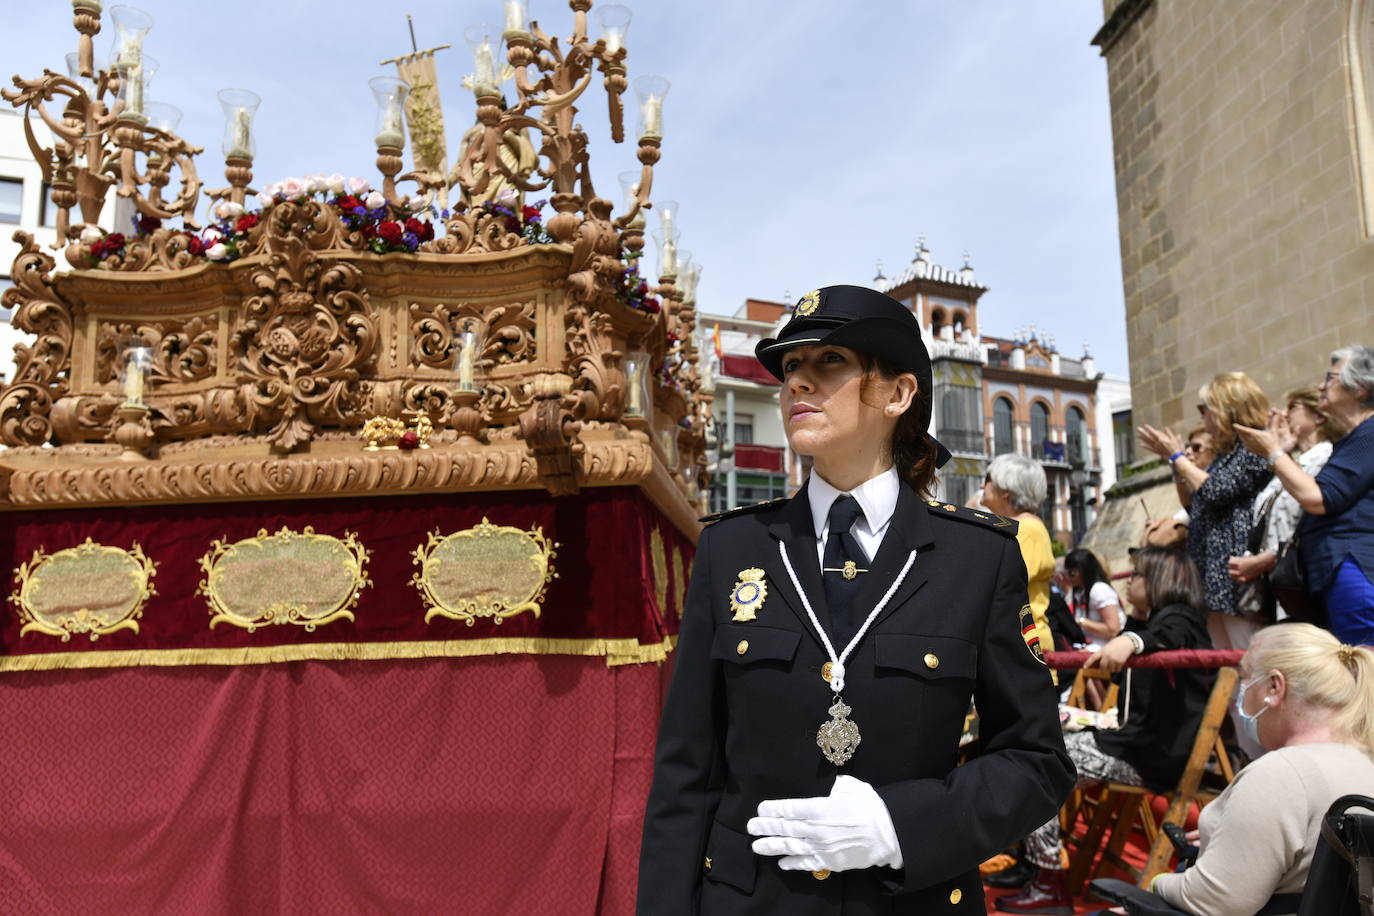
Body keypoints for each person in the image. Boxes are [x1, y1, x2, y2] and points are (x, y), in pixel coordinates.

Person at [637, 286, 1074, 914]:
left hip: (908, 899)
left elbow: (1035, 760)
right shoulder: (732, 549)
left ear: (897, 394)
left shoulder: (976, 558)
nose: (798, 384)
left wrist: (904, 825)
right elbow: (686, 770)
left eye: (830, 362)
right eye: (790, 368)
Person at [996, 546, 1212, 915]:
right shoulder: (1151, 619)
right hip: (1136, 743)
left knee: (1039, 763)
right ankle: (1035, 865)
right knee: (1038, 745)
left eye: (1138, 575)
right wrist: (1134, 630)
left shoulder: (1181, 618)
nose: (1129, 581)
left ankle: (1048, 880)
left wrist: (1131, 640)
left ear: (1162, 581)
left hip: (1152, 755)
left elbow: (1174, 633)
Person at [1148, 623, 1374, 916]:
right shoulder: (1363, 762)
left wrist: (1158, 883)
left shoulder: (1280, 774)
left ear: (1274, 687)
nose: (1238, 695)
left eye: (1244, 678)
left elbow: (1216, 900)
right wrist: (1235, 841)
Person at [1236, 346, 1374, 645]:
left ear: (1361, 389)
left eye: (1331, 377)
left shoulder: (1370, 434)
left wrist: (1272, 451)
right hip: (1335, 572)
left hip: (1355, 571)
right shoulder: (1353, 440)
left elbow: (1318, 498)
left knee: (1364, 671)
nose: (1322, 385)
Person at [1139, 372, 1273, 651]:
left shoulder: (1254, 448)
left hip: (1235, 576)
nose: (1202, 417)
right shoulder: (1226, 454)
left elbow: (1216, 491)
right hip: (1212, 574)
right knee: (1224, 662)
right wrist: (1174, 463)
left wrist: (1178, 457)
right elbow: (1195, 502)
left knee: (1246, 655)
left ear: (1226, 409)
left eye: (1205, 409)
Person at [1228, 387, 1340, 619]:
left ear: (1318, 417)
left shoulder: (1326, 456)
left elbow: (1307, 520)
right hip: (1280, 585)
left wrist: (1266, 559)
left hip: (1306, 579)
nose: (1284, 414)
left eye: (1293, 407)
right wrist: (1282, 451)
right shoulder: (1294, 462)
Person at [981, 454, 1056, 682]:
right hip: (1015, 646)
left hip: (1021, 648)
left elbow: (997, 581)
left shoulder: (1025, 529)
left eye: (988, 479)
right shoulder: (1021, 527)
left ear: (1006, 491)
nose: (982, 485)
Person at [1063, 548, 1123, 650]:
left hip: (1109, 648)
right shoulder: (1080, 591)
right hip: (1091, 645)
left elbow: (1113, 630)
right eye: (1066, 573)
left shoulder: (1099, 590)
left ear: (1084, 571)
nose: (1068, 577)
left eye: (1072, 573)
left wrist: (1081, 622)